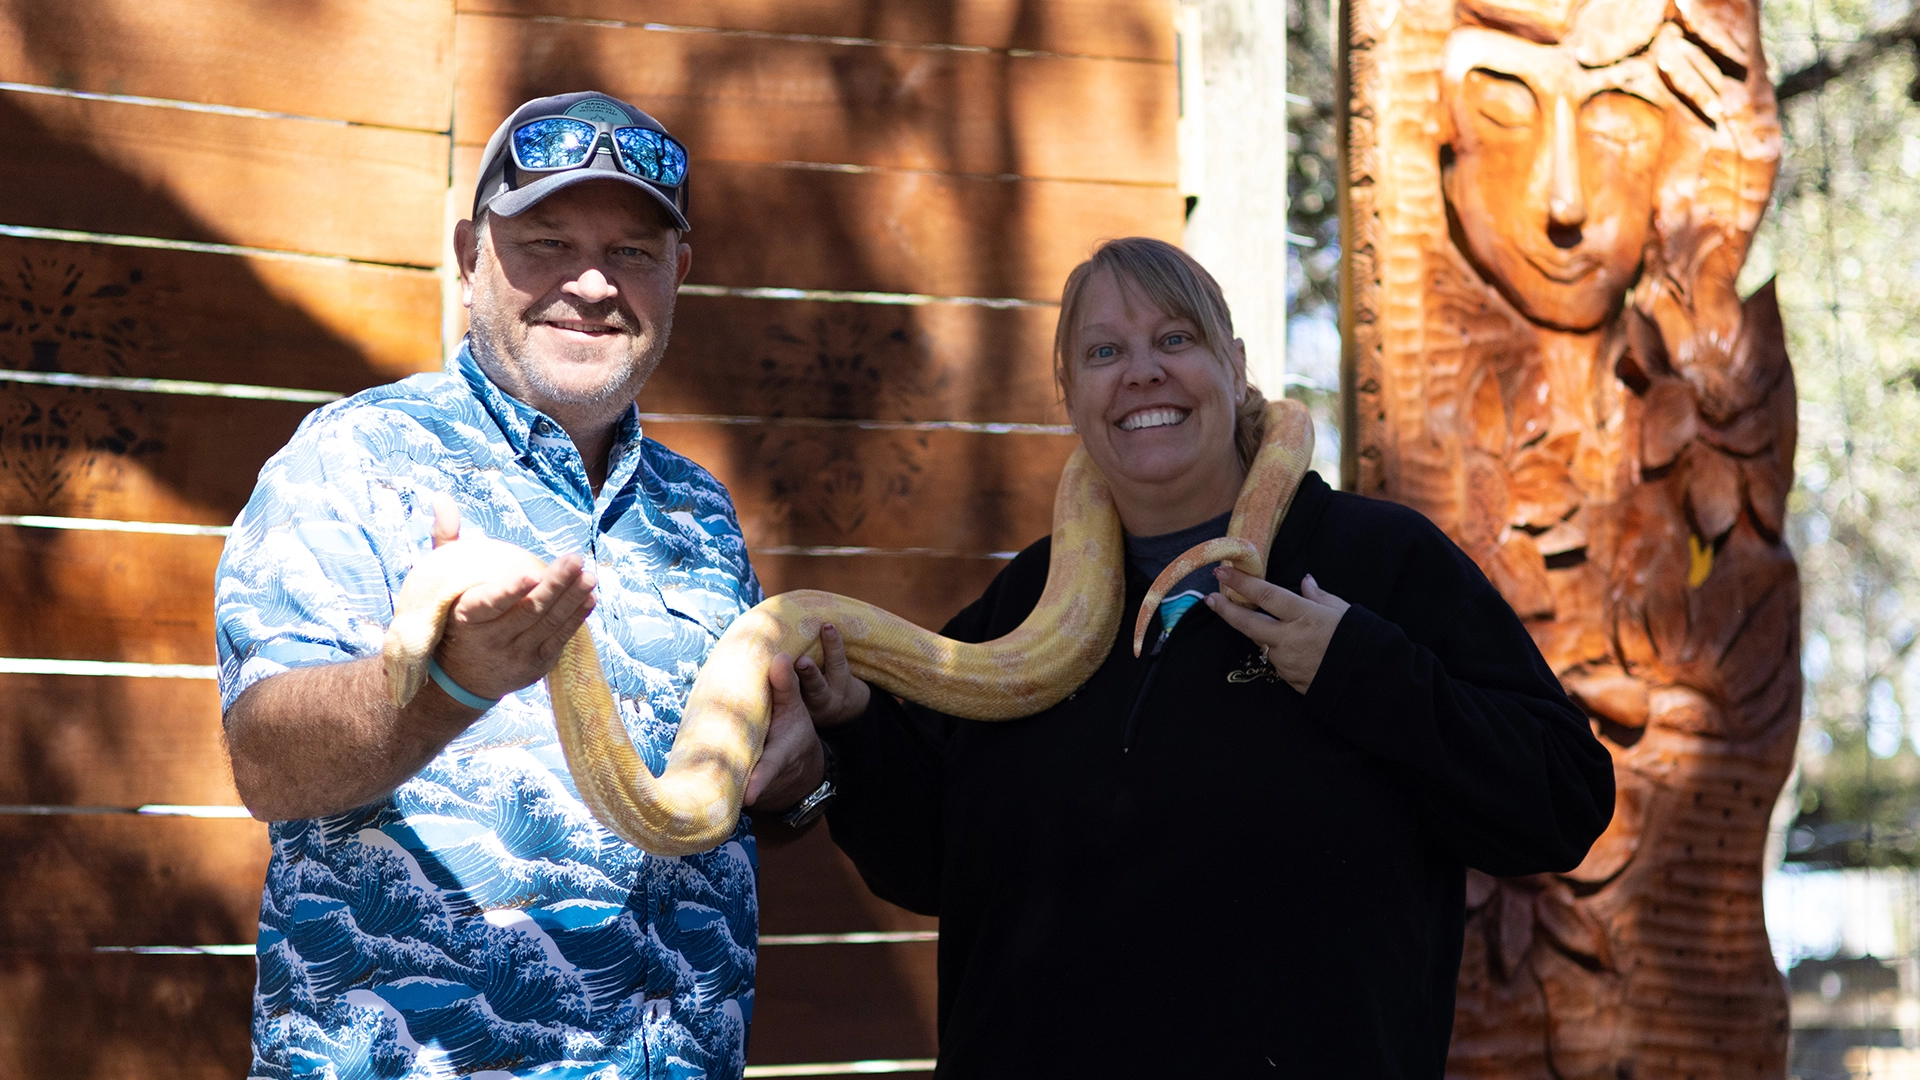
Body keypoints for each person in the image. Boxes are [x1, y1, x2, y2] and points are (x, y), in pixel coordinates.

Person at [778, 237, 1617, 1077]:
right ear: (1070, 396)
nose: (1142, 373)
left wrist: (1359, 668)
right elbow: (928, 866)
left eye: (1175, 339)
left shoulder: (1379, 562)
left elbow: (1562, 798)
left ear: (1235, 366)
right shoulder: (1025, 605)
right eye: (1104, 353)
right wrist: (855, 730)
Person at [216, 91, 828, 1079]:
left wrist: (798, 784)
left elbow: (740, 806)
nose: (591, 282)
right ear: (469, 255)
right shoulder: (354, 458)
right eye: (546, 242)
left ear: (677, 273)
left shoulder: (701, 514)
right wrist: (444, 688)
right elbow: (266, 762)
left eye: (631, 252)